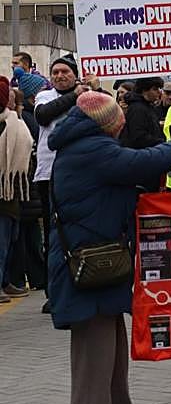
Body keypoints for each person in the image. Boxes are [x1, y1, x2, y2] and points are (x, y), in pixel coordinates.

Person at [47, 91, 171, 404]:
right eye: (118, 119)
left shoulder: (82, 142)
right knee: (94, 351)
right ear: (107, 123)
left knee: (110, 344)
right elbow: (142, 163)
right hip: (89, 259)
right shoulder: (93, 149)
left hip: (98, 256)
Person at [34, 55, 98, 313]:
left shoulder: (88, 94)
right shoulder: (45, 96)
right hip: (49, 174)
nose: (60, 76)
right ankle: (55, 291)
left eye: (65, 72)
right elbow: (44, 116)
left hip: (83, 174)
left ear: (75, 74)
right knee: (54, 236)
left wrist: (96, 90)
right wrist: (75, 95)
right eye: (55, 72)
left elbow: (106, 115)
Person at [4, 87, 44, 296]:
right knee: (10, 240)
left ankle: (10, 280)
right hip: (14, 191)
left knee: (14, 239)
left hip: (21, 191)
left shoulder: (19, 123)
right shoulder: (12, 123)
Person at [0, 77, 34, 303]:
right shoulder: (6, 123)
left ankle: (4, 281)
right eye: (8, 98)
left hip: (13, 191)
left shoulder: (14, 121)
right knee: (1, 242)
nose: (13, 102)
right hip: (3, 192)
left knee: (10, 240)